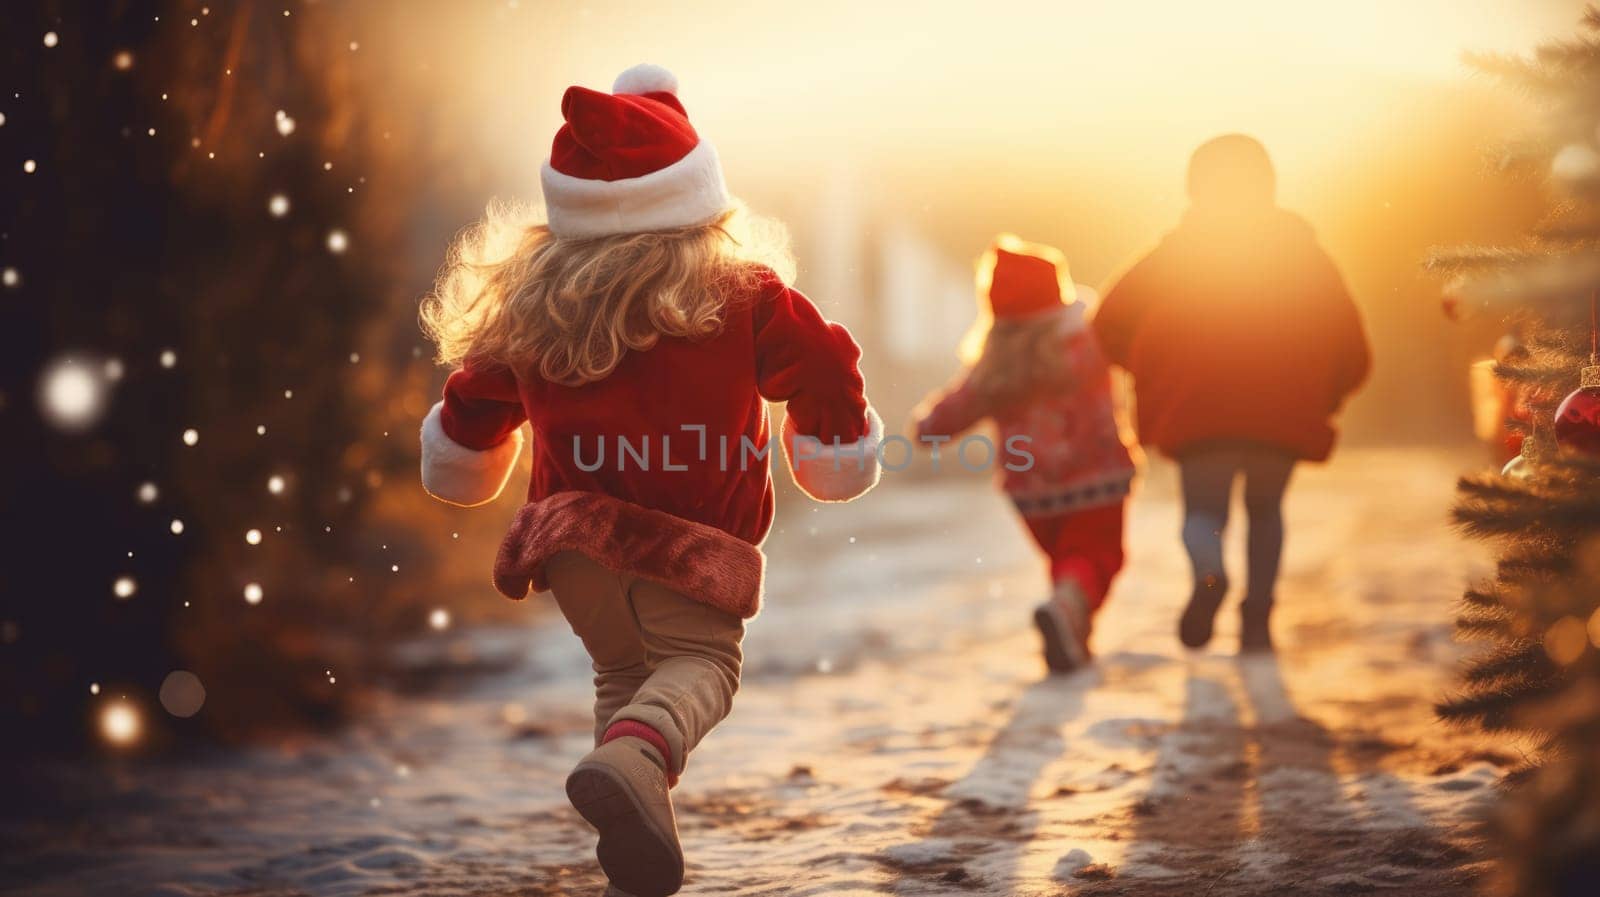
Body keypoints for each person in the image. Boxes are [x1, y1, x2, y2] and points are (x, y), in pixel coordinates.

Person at [417, 65, 882, 897]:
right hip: (693, 541)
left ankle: (637, 833)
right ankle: (637, 760)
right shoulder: (743, 296)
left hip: (571, 545)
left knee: (624, 676)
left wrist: (462, 442)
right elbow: (823, 359)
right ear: (698, 200)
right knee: (703, 665)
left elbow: (475, 397)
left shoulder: (534, 304)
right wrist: (833, 434)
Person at [1094, 134, 1369, 653]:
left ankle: (1209, 570)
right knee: (1266, 512)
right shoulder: (1304, 254)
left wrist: (1151, 370)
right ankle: (1258, 621)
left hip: (1197, 409)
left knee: (1204, 513)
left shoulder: (1173, 254)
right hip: (1282, 411)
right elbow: (1352, 346)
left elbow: (1106, 323)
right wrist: (1323, 394)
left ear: (1195, 189)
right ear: (1268, 185)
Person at [913, 236, 1136, 672]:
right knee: (1096, 557)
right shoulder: (1087, 343)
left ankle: (1070, 635)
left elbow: (952, 411)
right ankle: (1067, 612)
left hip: (1032, 493)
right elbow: (1137, 358)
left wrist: (926, 427)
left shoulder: (996, 363)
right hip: (1098, 477)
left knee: (1067, 560)